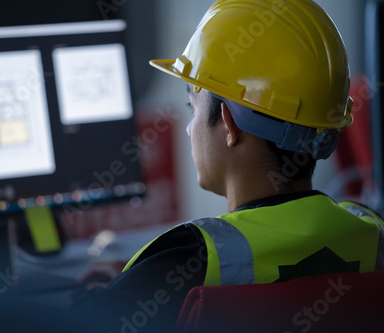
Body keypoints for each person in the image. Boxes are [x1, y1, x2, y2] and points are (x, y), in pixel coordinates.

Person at [64, 0, 384, 332]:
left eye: (193, 107)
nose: (190, 129)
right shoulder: (372, 232)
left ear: (228, 125)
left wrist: (138, 279)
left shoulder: (189, 254)